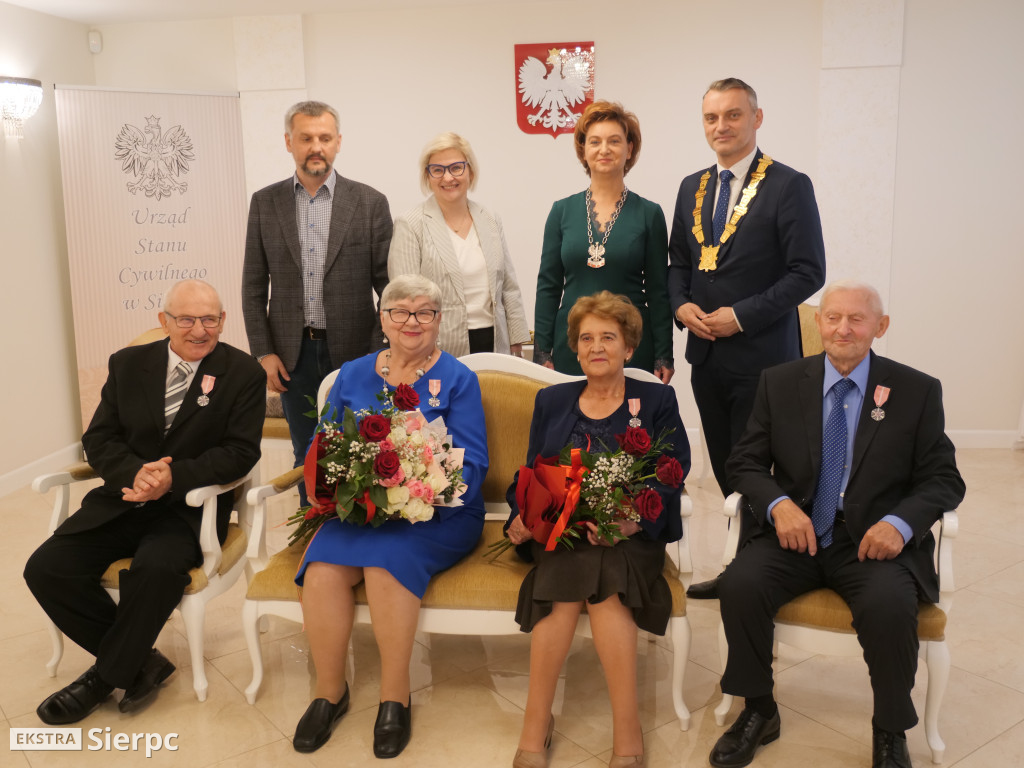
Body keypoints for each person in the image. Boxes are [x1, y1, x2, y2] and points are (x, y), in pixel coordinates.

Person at [711, 281, 965, 768]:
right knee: (740, 585)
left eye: (856, 319)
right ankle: (759, 710)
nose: (842, 329)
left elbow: (943, 478)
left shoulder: (915, 390)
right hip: (797, 531)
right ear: (818, 323)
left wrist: (900, 523)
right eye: (832, 318)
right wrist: (779, 505)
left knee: (892, 606)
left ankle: (890, 729)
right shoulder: (780, 382)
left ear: (880, 326)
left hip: (869, 541)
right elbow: (743, 463)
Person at [24, 280, 265, 724]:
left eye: (210, 319)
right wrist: (134, 473)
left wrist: (173, 477)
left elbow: (241, 453)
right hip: (124, 499)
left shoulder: (244, 372)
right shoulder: (129, 363)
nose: (199, 330)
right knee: (45, 567)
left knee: (155, 570)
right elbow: (99, 438)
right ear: (164, 322)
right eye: (187, 319)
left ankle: (102, 679)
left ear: (223, 321)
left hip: (188, 510)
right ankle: (142, 662)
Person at [291, 274, 488, 757]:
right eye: (399, 311)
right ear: (383, 319)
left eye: (424, 312)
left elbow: (474, 462)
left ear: (439, 321)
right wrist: (351, 487)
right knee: (321, 573)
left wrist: (416, 485)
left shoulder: (459, 378)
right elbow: (325, 444)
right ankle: (328, 693)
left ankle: (394, 696)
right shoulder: (353, 374)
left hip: (435, 514)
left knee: (384, 567)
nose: (411, 321)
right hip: (363, 511)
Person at [505, 292, 690, 768]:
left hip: (631, 535)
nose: (596, 347)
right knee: (581, 571)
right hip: (561, 534)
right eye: (586, 338)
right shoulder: (552, 400)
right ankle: (550, 723)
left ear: (629, 348)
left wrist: (630, 518)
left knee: (600, 575)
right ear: (576, 348)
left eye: (608, 337)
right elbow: (529, 472)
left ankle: (589, 727)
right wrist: (520, 515)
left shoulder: (656, 399)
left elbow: (673, 470)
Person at [667, 78, 826, 600]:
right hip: (708, 356)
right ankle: (745, 568)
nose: (721, 127)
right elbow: (679, 264)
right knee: (727, 465)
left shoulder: (788, 184)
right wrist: (680, 304)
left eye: (733, 116)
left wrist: (743, 315)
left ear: (757, 119)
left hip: (764, 357)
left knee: (761, 469)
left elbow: (808, 271)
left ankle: (760, 574)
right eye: (712, 118)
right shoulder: (692, 185)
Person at [242, 100, 392, 499]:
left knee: (362, 447)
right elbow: (253, 285)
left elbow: (388, 287)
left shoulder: (370, 202)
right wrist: (263, 352)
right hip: (293, 356)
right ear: (288, 142)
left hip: (357, 352)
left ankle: (356, 535)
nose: (316, 146)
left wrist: (379, 349)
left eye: (325, 138)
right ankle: (309, 533)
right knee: (305, 451)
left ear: (338, 142)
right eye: (306, 138)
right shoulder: (265, 202)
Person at [534, 101, 674, 383]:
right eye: (594, 141)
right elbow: (548, 287)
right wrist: (542, 350)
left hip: (631, 346)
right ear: (583, 151)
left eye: (614, 141)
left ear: (629, 149)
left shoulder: (649, 214)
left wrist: (663, 353)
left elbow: (659, 291)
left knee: (631, 423)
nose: (604, 149)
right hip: (572, 344)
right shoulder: (561, 211)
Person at [388, 132, 531, 357]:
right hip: (437, 347)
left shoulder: (490, 219)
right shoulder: (411, 224)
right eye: (437, 169)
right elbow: (405, 298)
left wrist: (516, 339)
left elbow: (509, 288)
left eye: (456, 168)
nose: (447, 177)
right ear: (427, 176)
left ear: (470, 171)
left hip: (495, 343)